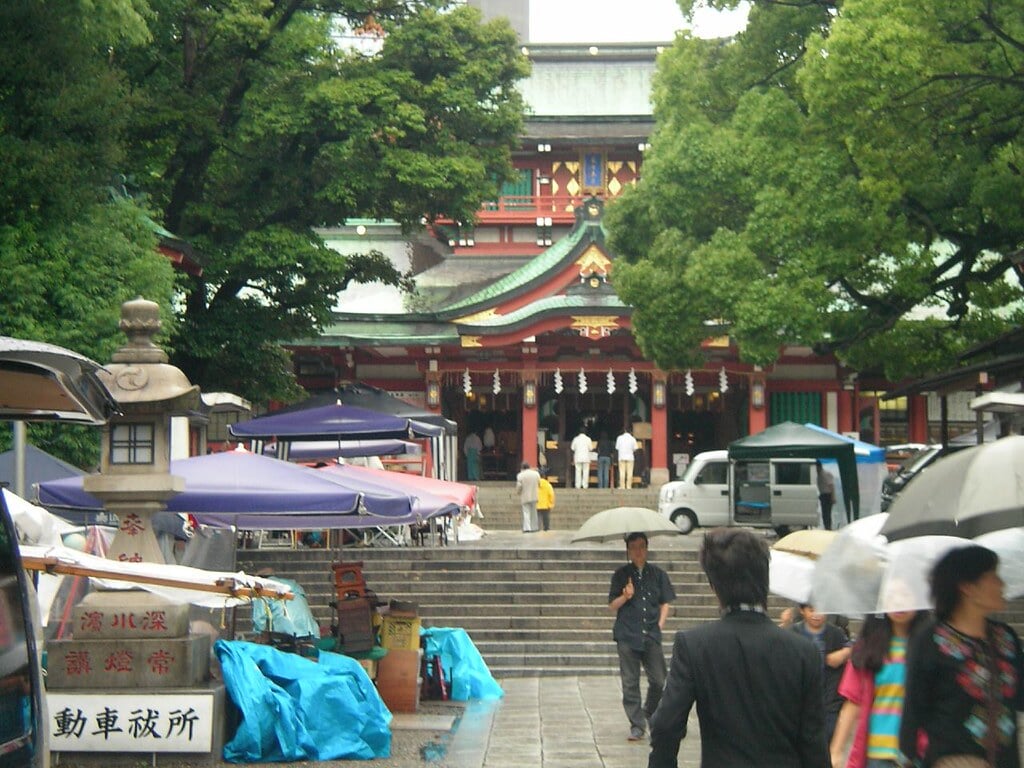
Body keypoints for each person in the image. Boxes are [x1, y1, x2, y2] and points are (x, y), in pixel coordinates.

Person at [649, 528, 829, 767]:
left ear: (714, 585)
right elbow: (814, 741)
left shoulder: (695, 646)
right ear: (765, 578)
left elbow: (666, 726)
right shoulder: (803, 651)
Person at [898, 546, 1024, 768]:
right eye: (993, 576)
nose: (1001, 584)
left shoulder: (1006, 638)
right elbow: (913, 712)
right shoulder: (930, 640)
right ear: (968, 587)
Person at [829, 610, 928, 768]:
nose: (899, 606)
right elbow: (853, 702)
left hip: (918, 753)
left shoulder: (930, 648)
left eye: (906, 596)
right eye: (893, 596)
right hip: (878, 753)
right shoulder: (868, 648)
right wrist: (836, 750)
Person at [609, 532, 676, 742]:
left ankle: (649, 710)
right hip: (627, 634)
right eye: (633, 547)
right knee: (630, 682)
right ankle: (637, 724)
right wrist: (625, 596)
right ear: (628, 551)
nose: (638, 551)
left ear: (647, 548)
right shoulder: (621, 575)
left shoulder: (657, 574)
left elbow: (665, 602)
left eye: (641, 547)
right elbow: (612, 605)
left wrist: (660, 624)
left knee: (659, 680)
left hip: (651, 633)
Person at [792, 602, 852, 746]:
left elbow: (852, 647)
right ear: (802, 611)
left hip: (829, 699)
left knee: (827, 739)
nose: (816, 615)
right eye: (811, 610)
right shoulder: (793, 633)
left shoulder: (836, 633)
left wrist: (844, 653)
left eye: (820, 610)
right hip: (801, 697)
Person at [515, 461, 540, 533]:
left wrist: (518, 492)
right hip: (534, 495)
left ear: (522, 468)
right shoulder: (536, 474)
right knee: (534, 512)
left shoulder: (520, 475)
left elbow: (519, 486)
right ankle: (534, 527)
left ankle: (527, 528)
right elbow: (539, 483)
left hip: (525, 496)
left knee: (526, 512)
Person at [816, 460, 835, 530]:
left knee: (827, 513)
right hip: (822, 495)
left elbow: (831, 486)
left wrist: (833, 497)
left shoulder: (826, 474)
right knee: (824, 513)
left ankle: (828, 527)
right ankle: (826, 527)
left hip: (828, 495)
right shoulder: (818, 475)